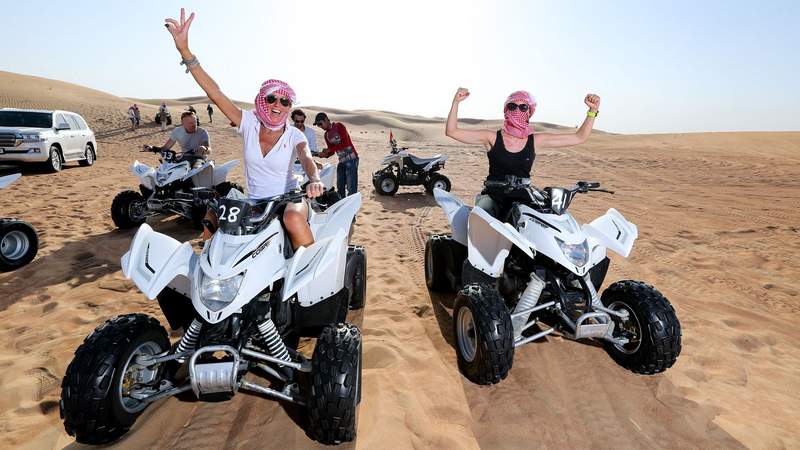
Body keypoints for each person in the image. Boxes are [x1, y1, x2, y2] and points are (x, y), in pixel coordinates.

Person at [164, 8, 323, 249]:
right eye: (271, 99)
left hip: (288, 199)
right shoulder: (248, 123)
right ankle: (204, 273)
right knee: (211, 216)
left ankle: (310, 272)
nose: (277, 105)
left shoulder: (294, 135)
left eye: (285, 101)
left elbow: (307, 157)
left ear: (289, 106)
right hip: (255, 202)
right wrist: (184, 51)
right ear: (262, 100)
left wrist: (314, 179)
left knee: (292, 218)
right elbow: (215, 93)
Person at [445, 87, 601, 219]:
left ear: (530, 111)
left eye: (523, 107)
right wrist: (455, 102)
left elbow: (579, 137)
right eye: (512, 107)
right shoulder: (491, 137)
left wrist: (592, 111)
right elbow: (452, 132)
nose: (517, 111)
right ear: (506, 110)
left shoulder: (536, 140)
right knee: (482, 219)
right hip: (493, 195)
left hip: (523, 197)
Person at [144, 111, 211, 168]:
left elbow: (208, 149)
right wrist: (153, 148)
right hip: (185, 159)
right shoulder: (177, 131)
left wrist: (204, 148)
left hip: (199, 159)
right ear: (183, 123)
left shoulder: (202, 132)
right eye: (190, 123)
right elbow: (166, 147)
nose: (193, 125)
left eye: (195, 122)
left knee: (196, 170)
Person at [314, 112, 359, 196]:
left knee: (351, 189)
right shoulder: (326, 135)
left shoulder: (339, 126)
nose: (320, 126)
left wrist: (329, 150)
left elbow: (345, 143)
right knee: (340, 188)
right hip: (341, 161)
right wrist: (324, 155)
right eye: (318, 125)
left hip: (351, 159)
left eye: (320, 123)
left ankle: (351, 207)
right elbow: (332, 151)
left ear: (326, 119)